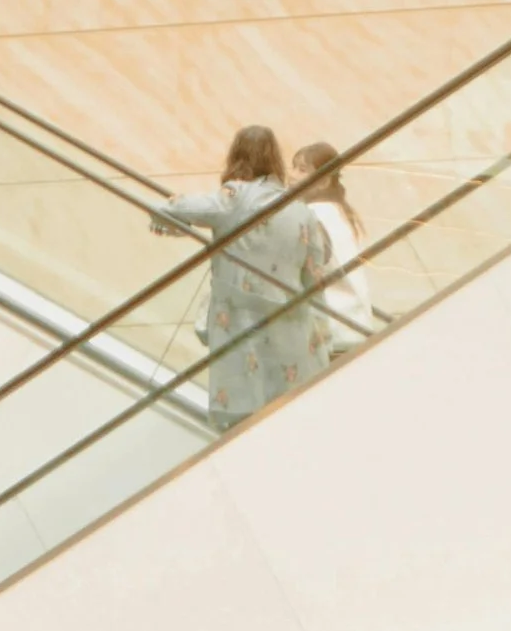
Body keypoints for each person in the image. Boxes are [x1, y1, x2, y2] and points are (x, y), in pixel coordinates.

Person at [151, 126, 334, 430]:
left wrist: (171, 204)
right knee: (290, 422)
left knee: (245, 425)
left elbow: (177, 208)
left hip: (242, 328)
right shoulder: (301, 212)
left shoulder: (235, 197)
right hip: (294, 335)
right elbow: (319, 263)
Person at [291, 143, 374, 356]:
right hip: (354, 324)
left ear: (324, 181)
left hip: (333, 328)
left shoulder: (315, 215)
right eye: (294, 168)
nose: (292, 176)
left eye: (302, 170)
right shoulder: (340, 212)